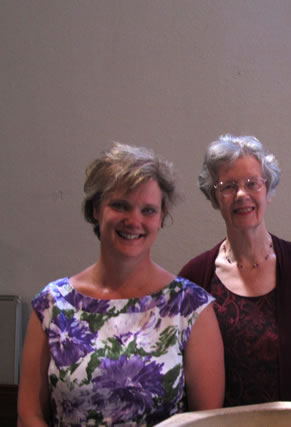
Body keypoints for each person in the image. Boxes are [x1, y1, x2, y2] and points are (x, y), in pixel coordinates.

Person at [17, 143, 225, 426]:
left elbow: (206, 422)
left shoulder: (191, 307)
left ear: (161, 216)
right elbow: (29, 415)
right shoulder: (51, 305)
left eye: (148, 210)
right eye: (120, 206)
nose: (134, 220)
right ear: (95, 210)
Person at [179, 134, 291, 406]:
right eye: (228, 186)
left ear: (267, 189)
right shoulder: (194, 279)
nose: (241, 195)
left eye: (252, 183)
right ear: (214, 196)